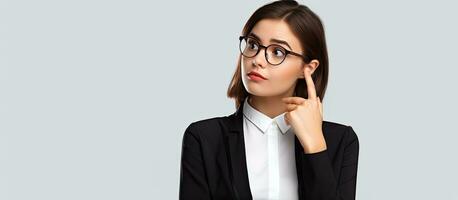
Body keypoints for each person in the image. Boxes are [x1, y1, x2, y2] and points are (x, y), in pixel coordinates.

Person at [179, 0, 359, 199]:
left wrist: (315, 146)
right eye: (253, 45)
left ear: (307, 68)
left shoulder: (341, 140)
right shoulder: (205, 139)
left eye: (277, 52)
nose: (257, 60)